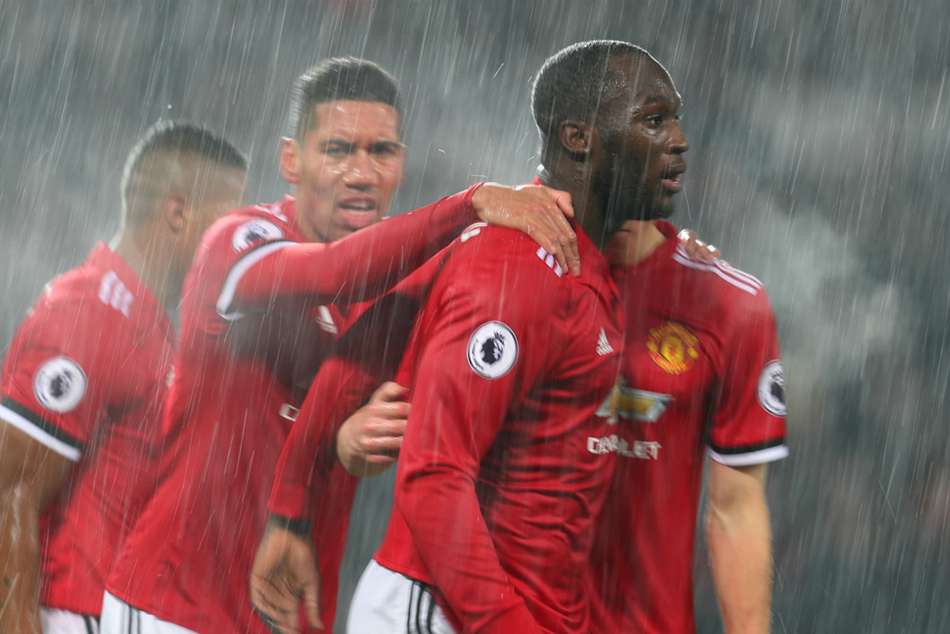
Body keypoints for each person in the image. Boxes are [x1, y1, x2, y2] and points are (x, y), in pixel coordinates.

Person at [251, 42, 726, 634]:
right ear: (579, 138)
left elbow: (363, 348)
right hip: (444, 614)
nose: (679, 139)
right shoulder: (519, 267)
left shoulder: (580, 259)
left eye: (674, 118)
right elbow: (434, 476)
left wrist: (291, 512)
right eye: (654, 121)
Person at [101, 57, 578, 634]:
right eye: (337, 150)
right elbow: (334, 272)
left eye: (382, 152)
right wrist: (471, 203)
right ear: (291, 161)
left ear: (401, 162)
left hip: (292, 611)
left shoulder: (399, 285)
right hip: (174, 602)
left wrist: (356, 442)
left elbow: (422, 431)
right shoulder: (240, 239)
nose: (362, 172)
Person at [0, 121, 248, 634]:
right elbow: (9, 489)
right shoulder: (89, 311)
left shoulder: (147, 321)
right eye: (227, 225)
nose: (234, 248)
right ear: (177, 213)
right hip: (67, 615)